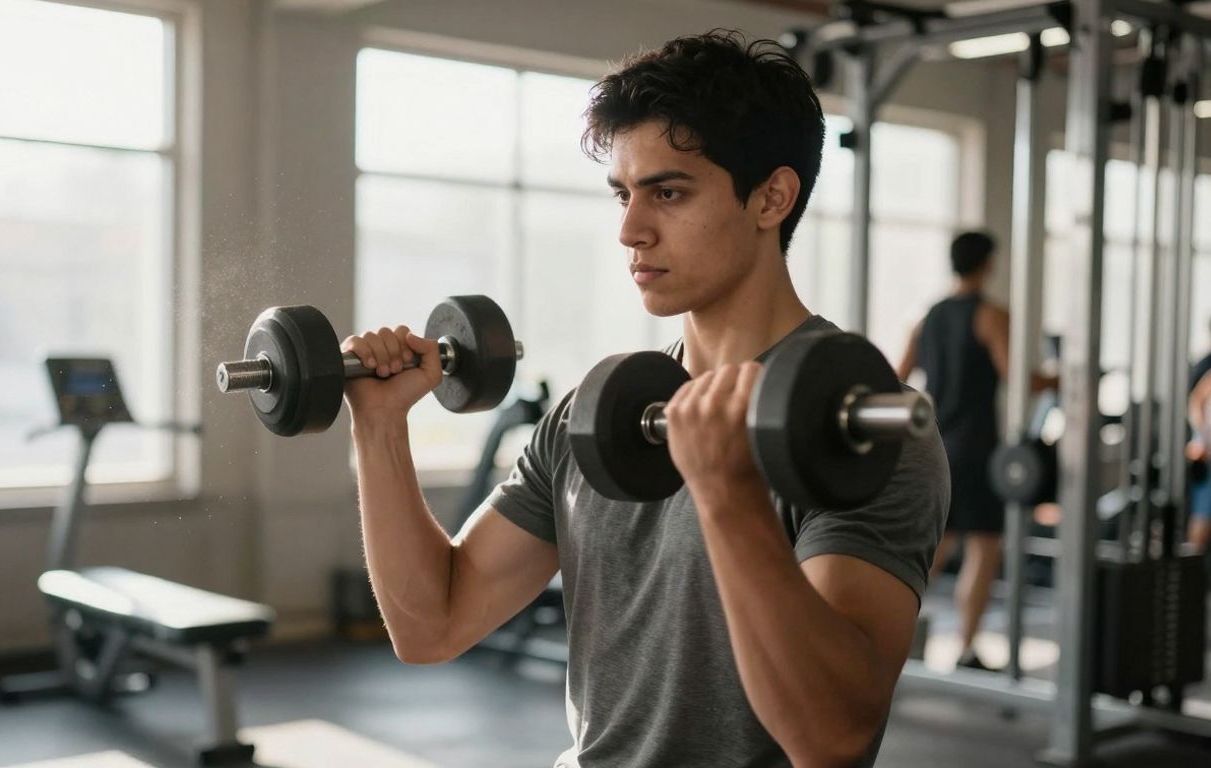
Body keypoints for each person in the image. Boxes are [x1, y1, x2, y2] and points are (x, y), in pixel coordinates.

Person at [344, 31, 948, 768]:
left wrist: (727, 491)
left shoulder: (858, 424)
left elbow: (833, 736)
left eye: (669, 192)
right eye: (623, 195)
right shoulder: (588, 414)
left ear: (772, 197)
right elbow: (431, 626)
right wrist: (379, 429)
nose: (631, 231)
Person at [896, 231, 1056, 672]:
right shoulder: (989, 315)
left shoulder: (927, 317)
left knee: (934, 549)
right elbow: (1018, 377)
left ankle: (886, 638)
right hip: (976, 449)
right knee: (984, 548)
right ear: (988, 264)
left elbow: (897, 378)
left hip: (933, 446)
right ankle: (966, 649)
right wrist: (1064, 381)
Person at [1187, 330, 1211, 551]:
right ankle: (1192, 562)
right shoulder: (1206, 365)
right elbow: (1196, 402)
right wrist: (1203, 439)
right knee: (1203, 514)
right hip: (1206, 454)